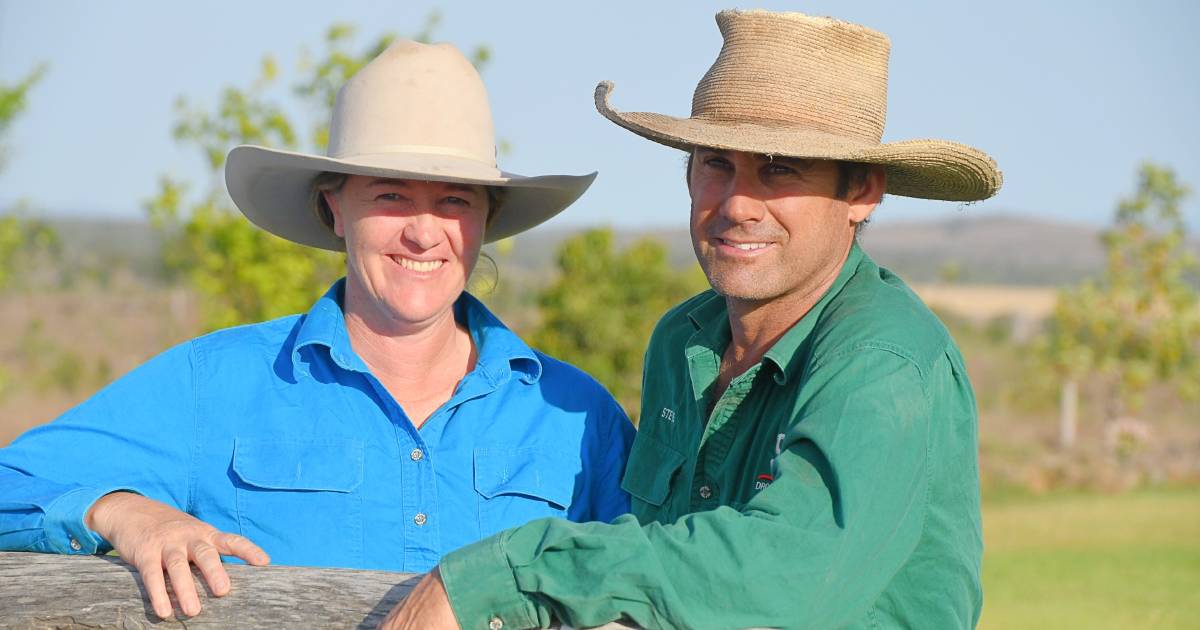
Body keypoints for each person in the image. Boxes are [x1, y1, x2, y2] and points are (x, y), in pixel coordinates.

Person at [385, 9, 1002, 630]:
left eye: (779, 168)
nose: (737, 203)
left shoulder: (880, 358)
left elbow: (786, 572)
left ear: (862, 192)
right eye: (716, 163)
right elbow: (665, 570)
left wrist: (503, 573)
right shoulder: (684, 340)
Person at [0, 40, 634, 620]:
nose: (422, 230)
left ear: (486, 222)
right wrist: (125, 512)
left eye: (454, 201)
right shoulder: (215, 384)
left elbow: (658, 572)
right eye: (389, 195)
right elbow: (14, 482)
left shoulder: (577, 415)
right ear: (335, 208)